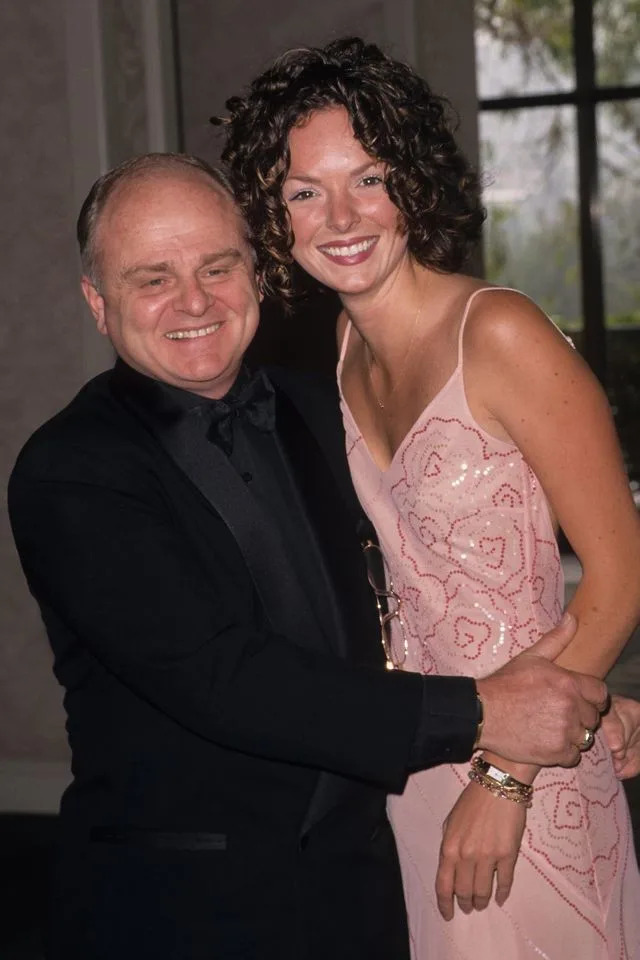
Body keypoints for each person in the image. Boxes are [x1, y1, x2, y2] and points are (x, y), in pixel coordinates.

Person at [216, 37, 640, 958]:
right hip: (415, 763)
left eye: (368, 178)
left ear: (411, 178)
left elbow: (622, 571)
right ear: (272, 214)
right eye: (302, 192)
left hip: (529, 768)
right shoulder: (340, 350)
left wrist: (509, 778)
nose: (340, 216)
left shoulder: (499, 331)